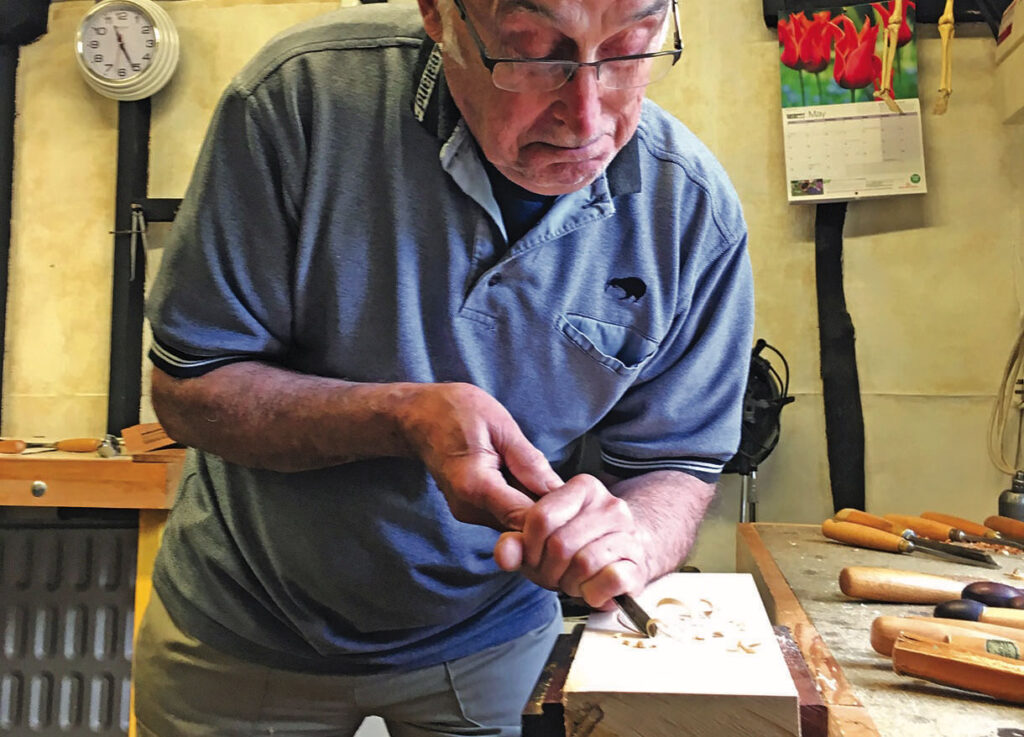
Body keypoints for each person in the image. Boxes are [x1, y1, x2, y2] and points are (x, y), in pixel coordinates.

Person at [134, 0, 754, 735]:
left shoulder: (690, 209)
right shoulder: (298, 102)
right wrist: (399, 417)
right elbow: (187, 389)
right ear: (440, 15)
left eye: (628, 51)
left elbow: (676, 461)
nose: (587, 118)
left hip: (493, 641)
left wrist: (631, 540)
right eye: (529, 53)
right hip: (246, 627)